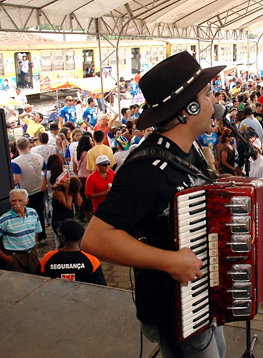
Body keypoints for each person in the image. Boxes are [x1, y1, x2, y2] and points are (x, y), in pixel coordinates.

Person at [81, 52, 230, 358]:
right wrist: (171, 261)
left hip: (201, 297)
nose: (214, 101)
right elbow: (94, 238)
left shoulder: (192, 152)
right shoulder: (145, 169)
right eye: (206, 94)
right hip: (173, 309)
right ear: (189, 108)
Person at [0, 189, 42, 273]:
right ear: (10, 201)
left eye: (20, 200)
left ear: (26, 201)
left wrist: (35, 247)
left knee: (37, 279)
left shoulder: (33, 213)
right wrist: (5, 257)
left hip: (32, 255)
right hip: (15, 257)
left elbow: (36, 231)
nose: (16, 203)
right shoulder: (4, 219)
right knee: (19, 283)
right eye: (13, 200)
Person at [39, 219, 106, 285]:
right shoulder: (92, 261)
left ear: (63, 238)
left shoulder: (47, 258)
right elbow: (102, 288)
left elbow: (37, 281)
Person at [12, 137, 47, 244]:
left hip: (26, 193)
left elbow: (16, 180)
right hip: (39, 189)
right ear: (29, 145)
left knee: (27, 216)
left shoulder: (16, 162)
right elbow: (45, 171)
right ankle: (42, 237)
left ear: (17, 148)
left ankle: (32, 238)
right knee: (40, 213)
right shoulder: (39, 157)